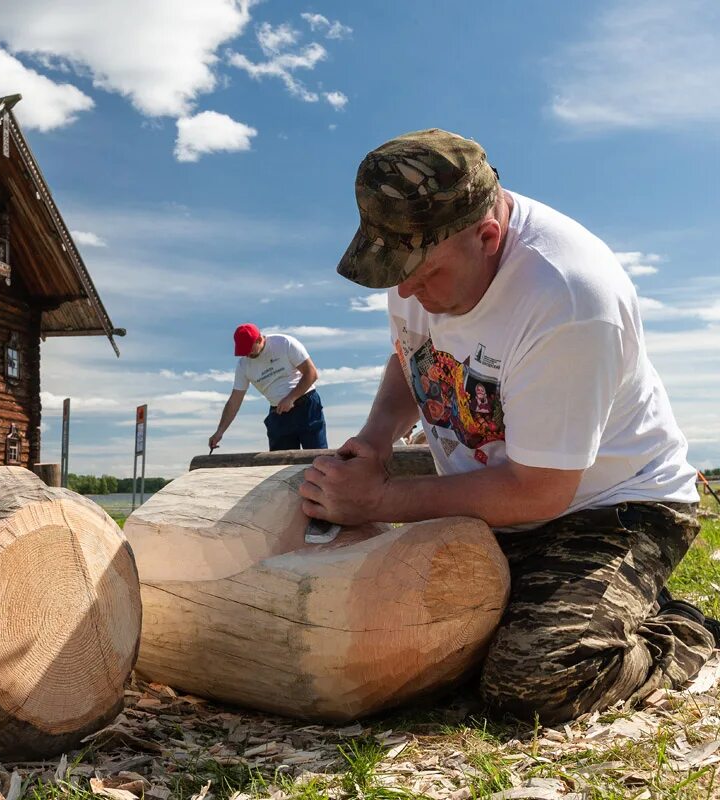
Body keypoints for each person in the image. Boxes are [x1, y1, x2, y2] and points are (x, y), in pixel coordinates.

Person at [302, 128, 717, 725]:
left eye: (421, 275)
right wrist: (374, 439)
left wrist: (383, 498)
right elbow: (410, 352)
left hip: (611, 507)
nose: (404, 290)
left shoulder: (569, 300)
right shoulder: (424, 258)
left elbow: (541, 491)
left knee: (535, 679)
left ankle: (681, 632)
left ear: (488, 237)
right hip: (495, 502)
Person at [209, 323, 326, 452]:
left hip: (307, 407)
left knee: (317, 458)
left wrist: (291, 398)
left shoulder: (284, 343)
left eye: (249, 349)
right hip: (278, 414)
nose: (247, 354)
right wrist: (220, 431)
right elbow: (235, 400)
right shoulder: (243, 365)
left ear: (259, 339)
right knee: (279, 462)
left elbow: (311, 373)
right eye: (243, 351)